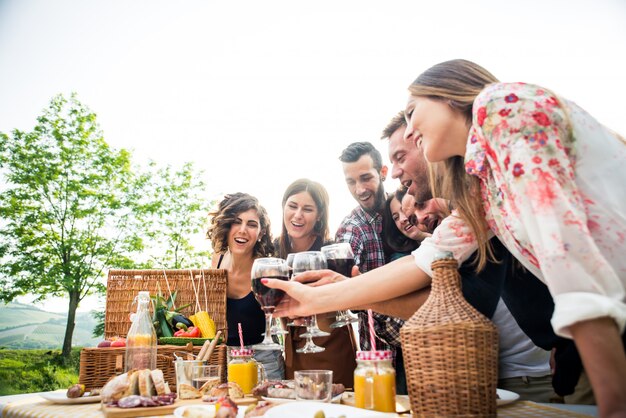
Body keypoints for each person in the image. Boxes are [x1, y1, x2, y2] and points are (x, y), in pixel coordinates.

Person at [266, 60, 626, 417]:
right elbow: (423, 262)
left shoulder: (501, 105)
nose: (409, 131)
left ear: (449, 93)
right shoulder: (482, 194)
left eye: (411, 112)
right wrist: (314, 299)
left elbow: (567, 254)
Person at [336, 142, 407, 394]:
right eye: (351, 182)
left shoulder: (405, 210)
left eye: (366, 178)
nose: (360, 189)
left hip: (429, 355)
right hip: (382, 361)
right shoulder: (352, 228)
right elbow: (349, 291)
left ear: (384, 172)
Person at [274, 178, 357, 388]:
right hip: (293, 353)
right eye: (292, 206)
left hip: (330, 348)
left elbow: (348, 297)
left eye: (307, 209)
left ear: (319, 214)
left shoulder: (331, 252)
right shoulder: (274, 251)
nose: (298, 215)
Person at [207, 192, 285, 380]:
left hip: (264, 360)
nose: (243, 230)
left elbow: (283, 319)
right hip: (224, 358)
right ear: (226, 226)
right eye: (236, 221)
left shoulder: (266, 268)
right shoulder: (217, 260)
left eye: (252, 224)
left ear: (261, 233)